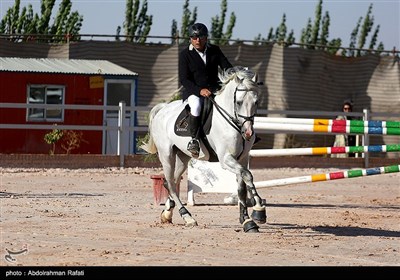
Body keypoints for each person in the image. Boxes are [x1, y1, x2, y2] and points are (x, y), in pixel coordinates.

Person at [179, 22, 233, 158]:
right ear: (190, 39)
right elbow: (184, 79)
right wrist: (199, 91)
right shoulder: (185, 54)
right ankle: (194, 140)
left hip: (214, 89)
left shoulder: (214, 50)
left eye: (200, 37)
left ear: (206, 38)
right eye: (194, 37)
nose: (197, 40)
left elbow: (227, 67)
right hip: (194, 91)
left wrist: (237, 74)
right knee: (196, 106)